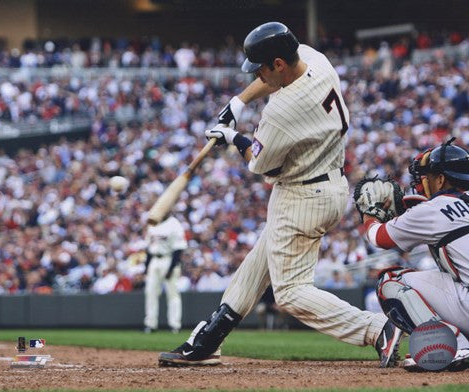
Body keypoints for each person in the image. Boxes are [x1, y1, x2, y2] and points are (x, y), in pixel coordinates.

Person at [158, 21, 401, 368]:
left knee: (289, 293)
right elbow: (269, 82)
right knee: (258, 264)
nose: (257, 74)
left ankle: (377, 329)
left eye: (261, 68)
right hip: (327, 183)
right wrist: (238, 102)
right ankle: (210, 338)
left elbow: (261, 165)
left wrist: (233, 138)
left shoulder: (282, 112)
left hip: (303, 196)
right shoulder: (313, 59)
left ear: (279, 64)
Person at [362, 138, 469, 370]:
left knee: (390, 280)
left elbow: (378, 237)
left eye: (426, 177)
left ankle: (455, 344)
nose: (421, 183)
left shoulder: (434, 208)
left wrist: (369, 213)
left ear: (440, 179)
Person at [144, 214, 188, 334]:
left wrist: (171, 268)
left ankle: (175, 325)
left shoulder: (174, 224)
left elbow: (178, 249)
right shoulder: (153, 223)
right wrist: (146, 266)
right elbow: (148, 247)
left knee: (172, 294)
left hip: (168, 259)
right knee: (150, 293)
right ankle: (150, 324)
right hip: (154, 260)